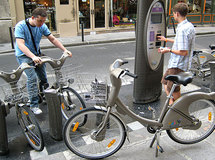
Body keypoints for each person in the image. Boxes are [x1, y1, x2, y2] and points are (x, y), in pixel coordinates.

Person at [14, 8, 72, 114]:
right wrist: (32, 57)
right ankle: (34, 105)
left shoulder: (42, 26)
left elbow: (52, 39)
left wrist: (65, 50)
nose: (42, 23)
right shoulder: (20, 26)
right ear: (33, 18)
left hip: (37, 54)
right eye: (40, 21)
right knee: (32, 79)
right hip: (24, 55)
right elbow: (20, 44)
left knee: (43, 78)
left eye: (44, 21)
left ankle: (43, 95)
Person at [157, 3, 195, 105]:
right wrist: (166, 39)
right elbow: (182, 42)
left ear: (177, 14)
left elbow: (183, 52)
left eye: (173, 14)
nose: (173, 16)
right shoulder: (189, 26)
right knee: (165, 82)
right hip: (177, 64)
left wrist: (168, 50)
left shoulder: (182, 29)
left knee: (174, 89)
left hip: (178, 64)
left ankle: (178, 108)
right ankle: (171, 103)